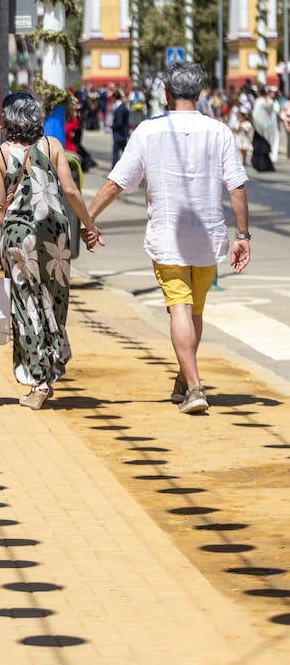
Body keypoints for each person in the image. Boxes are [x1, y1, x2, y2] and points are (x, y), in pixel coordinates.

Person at [87, 62, 250, 415]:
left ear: (166, 93)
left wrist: (89, 217)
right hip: (209, 238)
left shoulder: (148, 131)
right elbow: (236, 186)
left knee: (180, 307)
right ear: (201, 92)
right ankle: (183, 377)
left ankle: (194, 387)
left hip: (167, 236)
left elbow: (117, 182)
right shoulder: (219, 131)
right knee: (195, 311)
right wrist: (243, 234)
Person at [0, 92, 102, 410]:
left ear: (6, 120)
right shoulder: (52, 146)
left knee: (26, 307)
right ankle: (52, 360)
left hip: (18, 237)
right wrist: (89, 226)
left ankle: (39, 382)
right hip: (56, 236)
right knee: (54, 301)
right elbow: (70, 189)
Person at [250, 85, 276, 172]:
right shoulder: (269, 101)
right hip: (266, 126)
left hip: (259, 127)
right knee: (265, 146)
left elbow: (256, 115)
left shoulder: (259, 101)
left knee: (259, 146)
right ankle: (266, 165)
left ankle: (259, 164)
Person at [110, 89, 130, 166]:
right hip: (123, 134)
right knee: (125, 153)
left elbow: (119, 122)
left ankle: (114, 170)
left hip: (119, 134)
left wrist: (112, 125)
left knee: (116, 153)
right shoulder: (122, 107)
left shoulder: (120, 108)